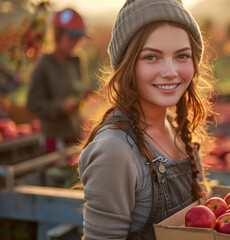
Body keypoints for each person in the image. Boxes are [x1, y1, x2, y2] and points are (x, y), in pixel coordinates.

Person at [77, 0, 217, 239]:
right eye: (152, 57)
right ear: (127, 65)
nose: (171, 71)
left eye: (182, 56)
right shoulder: (115, 151)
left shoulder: (176, 128)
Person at [26, 8, 90, 153]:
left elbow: (77, 92)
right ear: (57, 35)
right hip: (54, 139)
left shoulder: (75, 62)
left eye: (78, 39)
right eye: (71, 38)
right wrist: (60, 106)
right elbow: (33, 104)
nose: (75, 43)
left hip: (75, 134)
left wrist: (83, 95)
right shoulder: (43, 66)